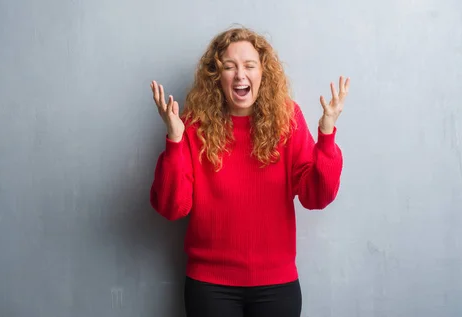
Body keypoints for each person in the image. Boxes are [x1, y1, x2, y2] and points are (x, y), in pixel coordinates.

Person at [149, 26, 349, 317]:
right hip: (209, 285)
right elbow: (172, 207)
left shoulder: (288, 119)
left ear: (262, 72)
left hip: (276, 285)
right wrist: (175, 141)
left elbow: (315, 197)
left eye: (249, 66)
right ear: (217, 76)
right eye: (230, 67)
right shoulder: (193, 125)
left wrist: (327, 134)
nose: (240, 75)